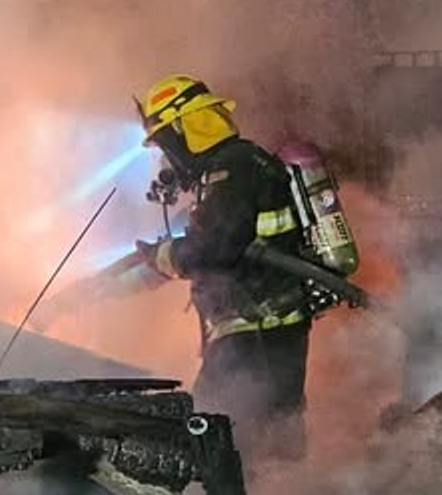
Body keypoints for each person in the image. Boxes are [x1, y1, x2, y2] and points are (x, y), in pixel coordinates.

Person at [133, 73, 312, 462]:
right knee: (271, 437)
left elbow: (212, 249)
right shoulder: (236, 167)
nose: (166, 155)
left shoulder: (232, 170)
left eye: (165, 141)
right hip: (264, 327)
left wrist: (162, 254)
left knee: (209, 437)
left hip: (257, 331)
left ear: (185, 128)